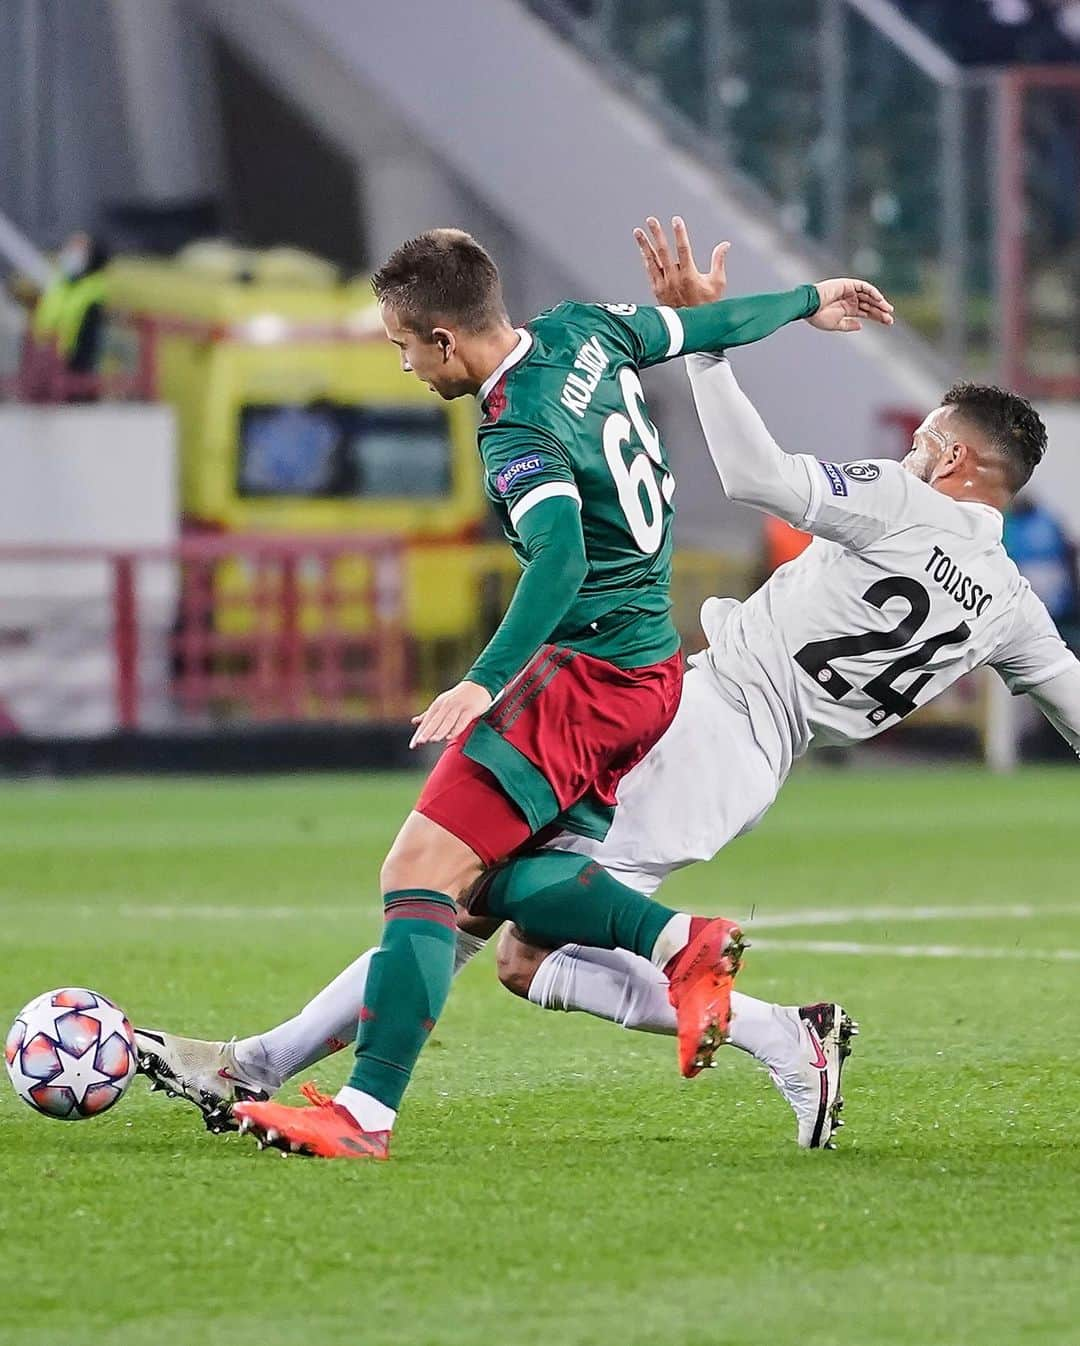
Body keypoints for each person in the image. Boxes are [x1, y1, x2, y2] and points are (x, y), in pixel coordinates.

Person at [137, 221, 1080, 1154]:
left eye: (924, 441)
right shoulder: (1016, 609)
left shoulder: (901, 498)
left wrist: (718, 352)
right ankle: (261, 1061)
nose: (912, 451)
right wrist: (770, 309)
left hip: (705, 713)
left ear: (955, 460)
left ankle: (750, 1013)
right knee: (492, 923)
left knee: (472, 899)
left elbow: (743, 478)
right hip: (747, 761)